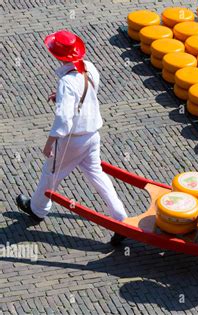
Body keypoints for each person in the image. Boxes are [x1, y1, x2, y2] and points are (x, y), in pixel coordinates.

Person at [16, 30, 127, 246]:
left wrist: (50, 141)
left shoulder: (67, 82)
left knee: (50, 173)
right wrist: (62, 97)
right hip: (92, 135)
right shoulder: (89, 67)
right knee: (97, 175)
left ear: (58, 56)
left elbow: (64, 119)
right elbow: (88, 94)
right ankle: (120, 218)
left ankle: (37, 209)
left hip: (71, 141)